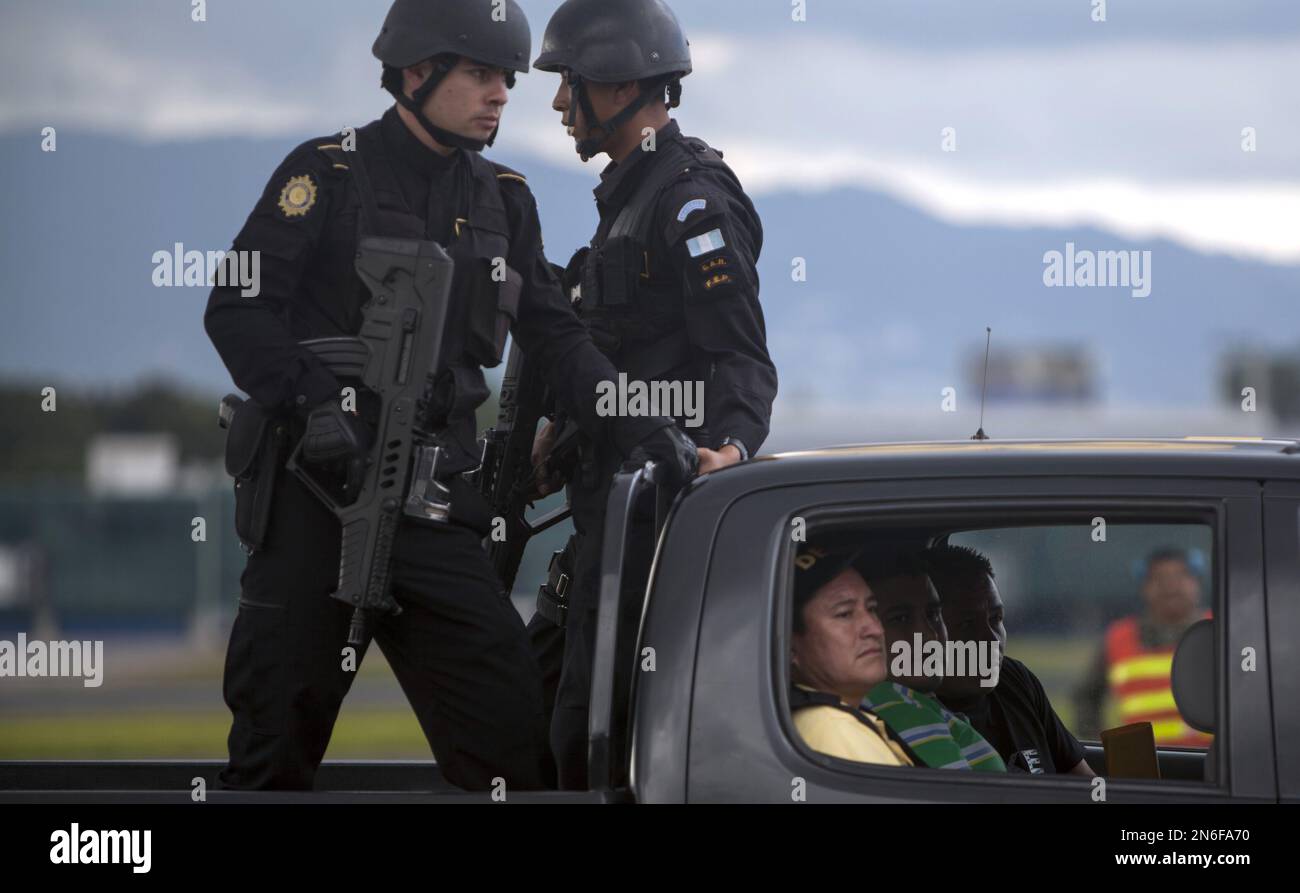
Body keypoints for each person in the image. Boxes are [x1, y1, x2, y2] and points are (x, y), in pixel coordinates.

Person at [203, 0, 695, 792]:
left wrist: (643, 423)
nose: (501, 93)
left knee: (515, 757)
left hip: (432, 517)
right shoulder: (323, 174)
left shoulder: (505, 198)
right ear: (415, 71)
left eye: (505, 76)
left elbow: (559, 339)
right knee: (270, 756)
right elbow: (235, 307)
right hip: (314, 503)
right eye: (478, 73)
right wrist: (318, 402)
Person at [524, 0, 779, 789]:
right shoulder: (626, 201)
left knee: (588, 739)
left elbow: (738, 354)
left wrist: (729, 449)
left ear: (623, 82)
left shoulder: (690, 200)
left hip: (652, 522)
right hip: (603, 512)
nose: (560, 103)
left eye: (570, 82)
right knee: (531, 711)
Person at [926, 544, 1095, 777]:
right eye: (967, 624)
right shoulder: (918, 721)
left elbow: (1085, 784)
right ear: (932, 633)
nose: (991, 638)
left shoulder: (1015, 680)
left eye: (996, 618)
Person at [857, 550, 1005, 771]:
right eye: (901, 618)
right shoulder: (899, 712)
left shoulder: (914, 704)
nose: (929, 634)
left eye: (933, 614)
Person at [789, 546, 915, 767]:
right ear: (789, 646)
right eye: (845, 614)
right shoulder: (833, 730)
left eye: (872, 608)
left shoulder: (839, 717)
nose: (876, 629)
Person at [1074, 547, 1212, 746]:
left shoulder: (1223, 629)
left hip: (1212, 768)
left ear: (1197, 583)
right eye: (1159, 578)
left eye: (1181, 576)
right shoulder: (1117, 639)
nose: (1171, 586)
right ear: (1144, 587)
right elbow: (1085, 700)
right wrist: (1104, 753)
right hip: (1144, 772)